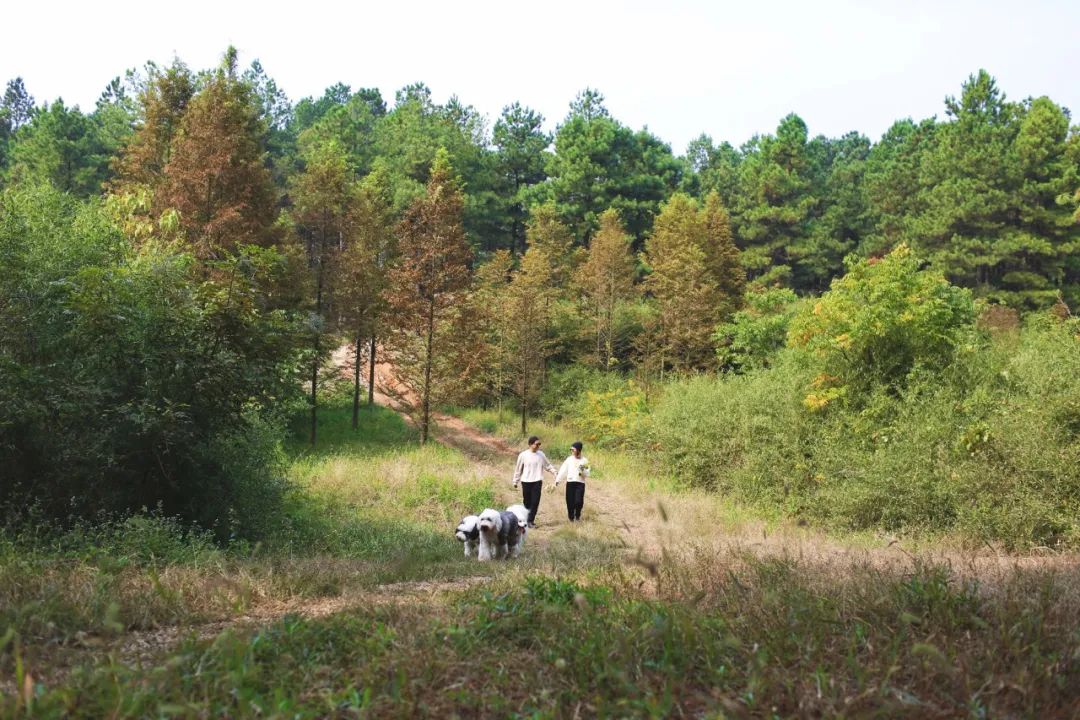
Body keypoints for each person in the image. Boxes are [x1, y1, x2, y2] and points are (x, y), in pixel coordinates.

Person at [512, 435, 556, 527]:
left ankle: (530, 521)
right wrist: (515, 481)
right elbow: (518, 469)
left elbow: (547, 465)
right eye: (537, 444)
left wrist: (555, 472)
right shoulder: (523, 455)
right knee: (527, 502)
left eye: (539, 444)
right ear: (530, 444)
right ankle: (525, 519)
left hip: (537, 481)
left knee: (535, 502)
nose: (538, 446)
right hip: (526, 481)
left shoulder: (541, 455)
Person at [554, 441, 590, 521]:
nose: (572, 451)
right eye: (571, 450)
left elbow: (587, 474)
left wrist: (582, 470)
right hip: (570, 483)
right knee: (570, 501)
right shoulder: (569, 459)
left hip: (580, 483)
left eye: (573, 450)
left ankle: (577, 516)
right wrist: (557, 480)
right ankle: (571, 518)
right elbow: (563, 470)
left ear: (578, 450)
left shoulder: (585, 461)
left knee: (578, 502)